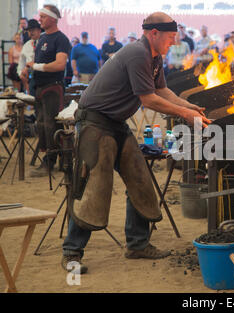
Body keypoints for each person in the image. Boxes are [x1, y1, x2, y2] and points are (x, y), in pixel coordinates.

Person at [61, 12, 211, 274]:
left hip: (116, 124)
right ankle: (71, 252)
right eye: (170, 37)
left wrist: (188, 105)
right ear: (154, 33)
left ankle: (137, 245)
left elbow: (161, 90)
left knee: (141, 179)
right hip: (95, 123)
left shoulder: (154, 57)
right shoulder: (136, 53)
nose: (173, 42)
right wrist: (185, 114)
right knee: (93, 186)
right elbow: (148, 99)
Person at [26, 5, 72, 177]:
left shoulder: (61, 39)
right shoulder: (43, 38)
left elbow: (60, 64)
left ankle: (52, 160)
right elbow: (40, 62)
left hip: (53, 87)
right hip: (40, 86)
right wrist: (29, 69)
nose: (40, 20)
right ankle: (52, 158)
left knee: (52, 124)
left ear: (53, 18)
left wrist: (36, 66)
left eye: (43, 17)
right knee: (42, 124)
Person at [17, 19, 42, 95]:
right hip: (31, 79)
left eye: (33, 30)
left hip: (43, 77)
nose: (31, 32)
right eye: (29, 30)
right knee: (32, 101)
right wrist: (21, 74)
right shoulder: (26, 45)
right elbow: (21, 63)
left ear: (39, 30)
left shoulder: (44, 43)